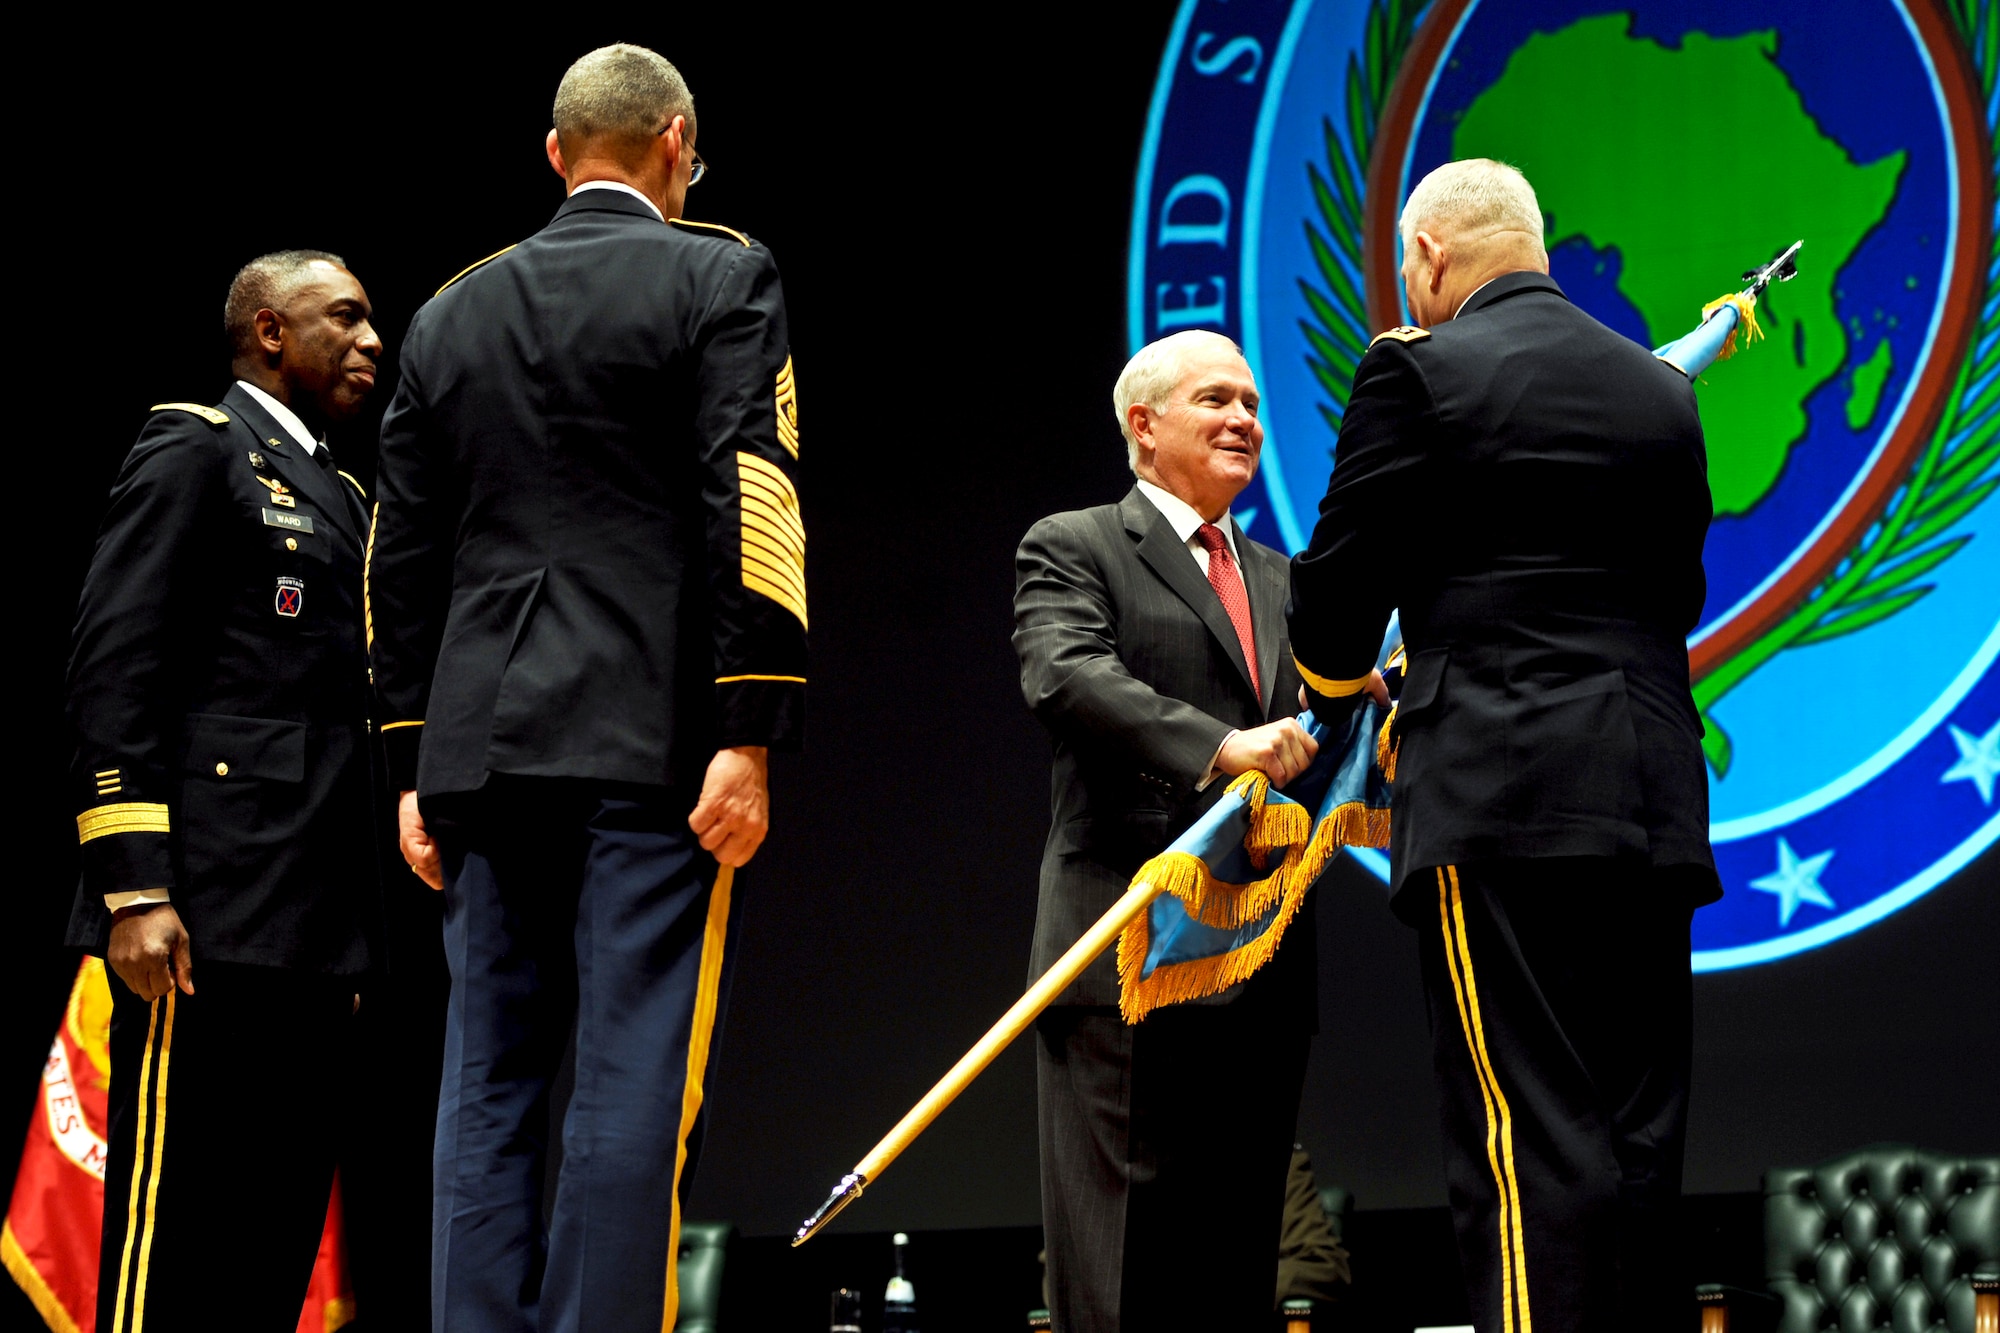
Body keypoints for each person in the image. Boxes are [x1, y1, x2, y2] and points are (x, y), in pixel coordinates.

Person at [366, 44, 805, 1333]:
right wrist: (750, 726)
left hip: (479, 753)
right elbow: (754, 497)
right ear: (677, 142)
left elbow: (401, 555)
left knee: (483, 1086)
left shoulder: (450, 310)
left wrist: (408, 764)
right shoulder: (720, 273)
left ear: (556, 156)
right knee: (628, 1081)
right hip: (648, 739)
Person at [1287, 159, 1718, 1332]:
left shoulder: (1415, 370)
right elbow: (1675, 590)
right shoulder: (1657, 389)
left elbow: (1330, 604)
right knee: (1635, 1135)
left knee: (1523, 1133)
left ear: (1426, 255)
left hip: (1496, 787)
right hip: (1645, 790)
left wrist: (1344, 684)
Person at [64, 249, 383, 1332]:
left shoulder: (343, 496)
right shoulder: (196, 449)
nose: (371, 341)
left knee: (271, 1243)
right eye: (344, 317)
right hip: (197, 921)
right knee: (172, 1249)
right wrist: (133, 890)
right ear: (269, 332)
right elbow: (116, 667)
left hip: (311, 932)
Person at [1014, 330, 1342, 1332]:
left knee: (1229, 1268)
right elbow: (1067, 679)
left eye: (1249, 401)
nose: (1243, 418)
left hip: (1258, 963)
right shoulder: (1073, 545)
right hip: (1124, 952)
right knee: (1119, 1272)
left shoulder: (1288, 581)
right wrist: (1220, 745)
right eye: (1214, 400)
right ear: (1141, 425)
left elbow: (1314, 732)